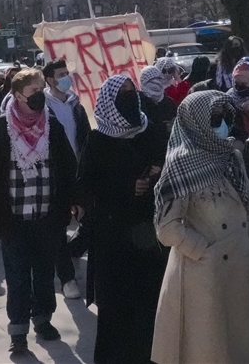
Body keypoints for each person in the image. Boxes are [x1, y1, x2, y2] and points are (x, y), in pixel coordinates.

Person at [152, 90, 249, 363]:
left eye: (224, 117)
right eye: (214, 118)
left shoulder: (232, 157)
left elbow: (247, 205)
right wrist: (203, 250)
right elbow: (166, 228)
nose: (222, 123)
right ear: (196, 122)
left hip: (245, 265)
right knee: (212, 349)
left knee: (247, 345)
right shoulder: (179, 167)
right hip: (206, 274)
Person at [0, 67, 78, 353]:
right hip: (13, 222)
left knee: (44, 274)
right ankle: (18, 333)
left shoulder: (52, 127)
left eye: (42, 90)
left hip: (47, 218)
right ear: (18, 95)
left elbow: (68, 168)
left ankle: (43, 321)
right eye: (34, 91)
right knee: (18, 278)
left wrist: (71, 202)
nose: (40, 96)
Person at [78, 74, 167, 364]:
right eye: (123, 94)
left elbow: (165, 165)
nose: (131, 98)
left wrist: (153, 177)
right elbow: (86, 185)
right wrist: (127, 186)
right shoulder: (98, 138)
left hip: (148, 235)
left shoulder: (148, 129)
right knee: (116, 308)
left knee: (149, 303)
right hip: (113, 235)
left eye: (133, 92)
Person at [42, 59, 90, 300]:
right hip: (56, 174)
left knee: (89, 218)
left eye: (66, 73)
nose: (65, 78)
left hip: (80, 172)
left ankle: (75, 250)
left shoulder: (75, 103)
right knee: (60, 225)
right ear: (50, 79)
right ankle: (67, 278)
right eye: (60, 74)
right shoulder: (42, 106)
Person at [138, 65, 177, 139]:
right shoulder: (138, 103)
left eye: (158, 79)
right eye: (150, 80)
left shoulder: (169, 103)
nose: (155, 83)